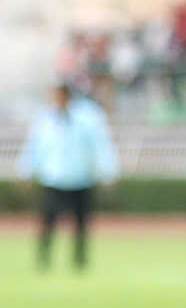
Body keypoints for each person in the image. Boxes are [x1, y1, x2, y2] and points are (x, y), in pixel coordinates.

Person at [18, 82, 119, 271]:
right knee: (48, 222)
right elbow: (34, 148)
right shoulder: (45, 119)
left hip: (81, 178)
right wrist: (26, 171)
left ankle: (79, 260)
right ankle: (44, 258)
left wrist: (108, 173)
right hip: (54, 178)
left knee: (81, 223)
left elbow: (101, 146)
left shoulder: (88, 117)